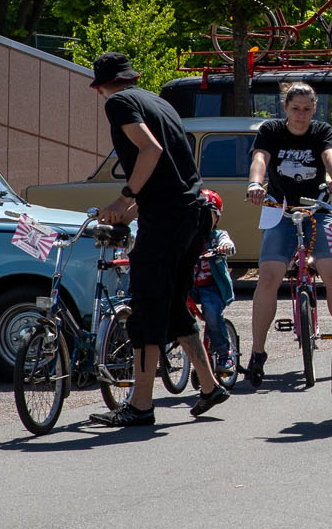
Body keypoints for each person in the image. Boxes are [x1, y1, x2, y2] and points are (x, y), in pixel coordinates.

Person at [88, 52, 228, 425]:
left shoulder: (119, 102)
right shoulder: (159, 102)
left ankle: (141, 405)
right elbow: (170, 176)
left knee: (147, 308)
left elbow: (151, 151)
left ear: (101, 86)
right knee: (172, 307)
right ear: (132, 77)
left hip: (167, 219)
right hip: (192, 214)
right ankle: (210, 385)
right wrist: (127, 212)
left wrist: (125, 197)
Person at [242, 82, 332, 385]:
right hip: (280, 209)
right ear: (285, 108)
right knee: (269, 276)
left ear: (314, 109)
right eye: (295, 109)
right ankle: (257, 352)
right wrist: (255, 184)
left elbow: (329, 155)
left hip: (316, 208)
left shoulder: (321, 130)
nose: (301, 115)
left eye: (307, 109)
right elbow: (260, 159)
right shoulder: (271, 130)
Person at [190, 188, 237, 377]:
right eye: (197, 215)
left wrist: (224, 248)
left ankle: (225, 355)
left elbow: (229, 244)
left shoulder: (217, 236)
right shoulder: (187, 237)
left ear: (216, 219)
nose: (202, 221)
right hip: (189, 285)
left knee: (211, 313)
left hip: (211, 287)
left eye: (207, 216)